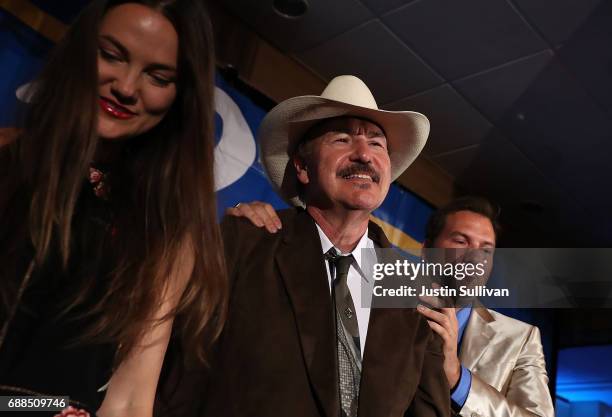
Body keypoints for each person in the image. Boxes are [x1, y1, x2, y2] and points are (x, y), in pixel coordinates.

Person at [0, 1, 226, 416]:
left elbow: (129, 399)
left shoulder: (167, 229)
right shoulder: (7, 157)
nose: (125, 86)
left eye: (157, 77)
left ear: (181, 97)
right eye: (111, 55)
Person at [199, 75, 450, 417]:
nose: (363, 154)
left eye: (377, 144)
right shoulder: (247, 241)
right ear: (302, 167)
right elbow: (185, 372)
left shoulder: (415, 293)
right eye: (343, 139)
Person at [232, 196, 554, 417]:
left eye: (486, 249)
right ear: (427, 251)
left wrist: (459, 381)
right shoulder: (379, 296)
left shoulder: (522, 337)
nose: (474, 257)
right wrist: (255, 223)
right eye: (460, 241)